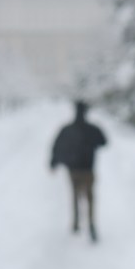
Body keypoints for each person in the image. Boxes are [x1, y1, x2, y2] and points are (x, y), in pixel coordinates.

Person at [50, 101, 107, 242]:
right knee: (90, 198)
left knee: (75, 196)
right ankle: (91, 224)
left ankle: (76, 223)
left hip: (73, 170)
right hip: (88, 170)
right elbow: (104, 142)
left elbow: (57, 146)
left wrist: (54, 162)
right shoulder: (92, 129)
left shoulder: (67, 129)